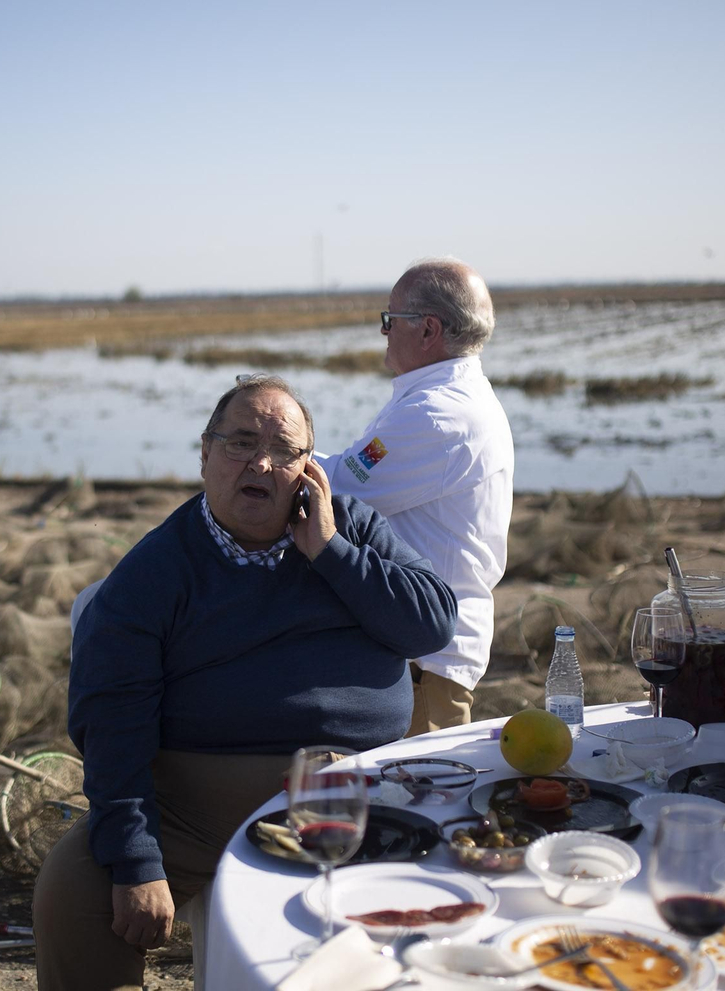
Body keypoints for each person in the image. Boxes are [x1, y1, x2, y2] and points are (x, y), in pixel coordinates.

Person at [33, 374, 457, 991]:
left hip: (356, 786)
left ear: (308, 470)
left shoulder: (351, 528)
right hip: (198, 801)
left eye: (283, 450)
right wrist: (136, 861)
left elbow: (432, 624)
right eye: (238, 442)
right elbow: (111, 722)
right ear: (205, 454)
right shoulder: (155, 571)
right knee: (73, 891)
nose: (259, 462)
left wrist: (330, 551)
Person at [315, 258, 514, 735]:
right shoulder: (450, 398)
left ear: (428, 329)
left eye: (390, 320)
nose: (383, 332)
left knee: (418, 796)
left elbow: (340, 489)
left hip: (426, 658)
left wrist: (273, 452)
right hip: (425, 646)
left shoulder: (436, 414)